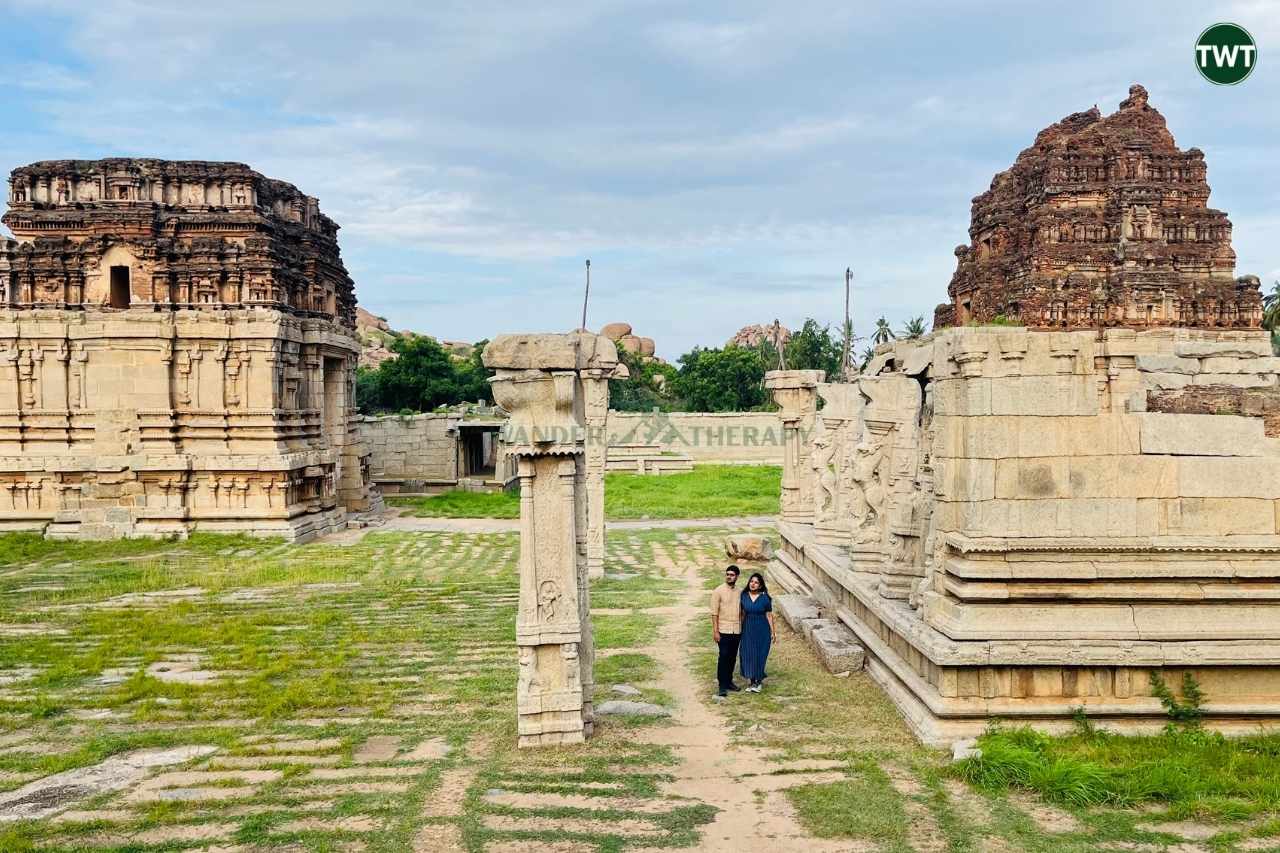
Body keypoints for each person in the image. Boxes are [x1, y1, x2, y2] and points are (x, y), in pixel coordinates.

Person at [738, 572, 775, 692]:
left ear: (760, 586)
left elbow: (769, 615)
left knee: (760, 654)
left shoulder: (765, 598)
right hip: (748, 628)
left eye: (756, 582)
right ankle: (752, 681)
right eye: (751, 581)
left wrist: (773, 632)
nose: (753, 584)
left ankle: (758, 682)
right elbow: (742, 614)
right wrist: (739, 629)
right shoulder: (743, 596)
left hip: (762, 629)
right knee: (747, 654)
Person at [710, 564, 743, 697]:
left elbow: (742, 611)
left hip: (736, 630)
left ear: (737, 577)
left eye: (732, 575)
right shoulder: (718, 591)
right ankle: (722, 685)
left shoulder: (740, 591)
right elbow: (714, 613)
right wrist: (715, 631)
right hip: (723, 629)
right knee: (723, 656)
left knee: (732, 657)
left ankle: (729, 681)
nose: (729, 577)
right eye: (727, 574)